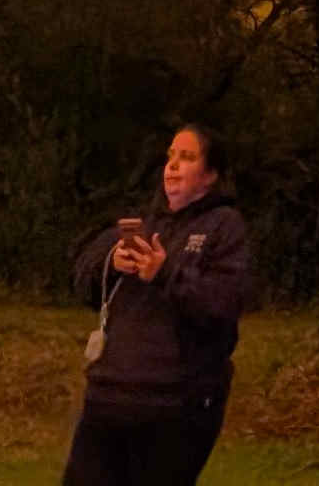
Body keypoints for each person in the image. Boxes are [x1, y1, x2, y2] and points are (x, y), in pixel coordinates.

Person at [65, 122, 252, 486]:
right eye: (170, 157)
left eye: (187, 157)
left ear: (210, 174)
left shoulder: (224, 227)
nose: (173, 166)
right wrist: (111, 261)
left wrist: (165, 273)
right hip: (109, 396)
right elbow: (82, 280)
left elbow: (224, 304)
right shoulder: (142, 222)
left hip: (176, 405)